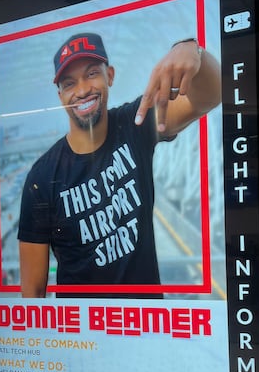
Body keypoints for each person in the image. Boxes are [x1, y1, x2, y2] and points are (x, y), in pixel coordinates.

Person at [17, 31, 221, 297]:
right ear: (60, 96)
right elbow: (32, 293)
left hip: (146, 327)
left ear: (109, 76)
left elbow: (211, 95)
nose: (81, 90)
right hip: (83, 336)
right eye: (69, 83)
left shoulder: (134, 124)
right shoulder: (42, 177)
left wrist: (193, 51)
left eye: (91, 74)